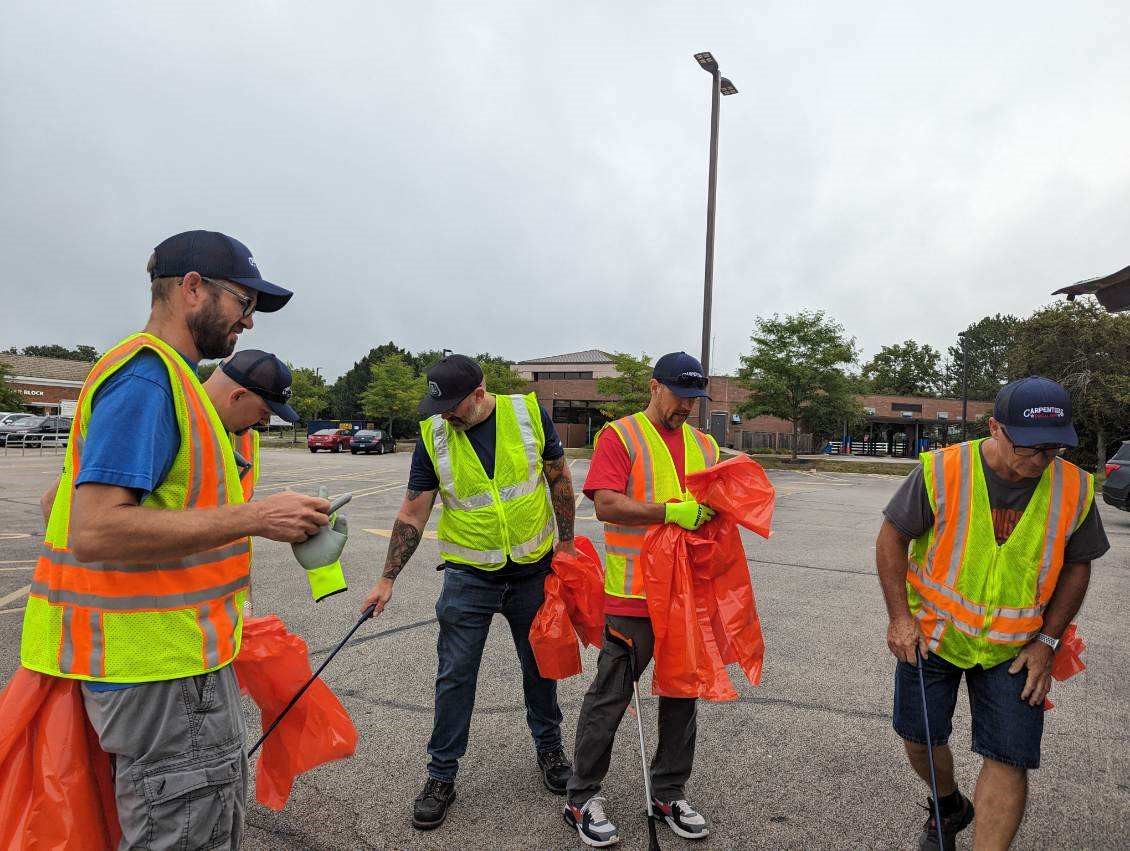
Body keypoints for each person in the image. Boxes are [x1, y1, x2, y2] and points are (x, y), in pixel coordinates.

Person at [21, 231, 335, 850]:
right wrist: (255, 517)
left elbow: (58, 505)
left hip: (162, 663)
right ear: (192, 288)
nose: (247, 321)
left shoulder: (171, 382)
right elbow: (96, 527)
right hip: (158, 670)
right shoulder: (148, 379)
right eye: (243, 303)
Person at [876, 376, 1109, 850]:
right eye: (1032, 447)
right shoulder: (943, 471)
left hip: (1018, 648)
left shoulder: (1074, 488)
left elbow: (1077, 567)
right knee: (919, 738)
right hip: (934, 635)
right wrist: (900, 618)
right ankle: (948, 805)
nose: (1043, 460)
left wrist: (1048, 642)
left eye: (1054, 448)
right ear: (995, 428)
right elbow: (892, 538)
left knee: (1009, 757)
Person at [361, 354, 578, 831]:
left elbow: (558, 478)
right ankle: (441, 776)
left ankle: (550, 750)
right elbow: (414, 512)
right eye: (439, 407)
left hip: (531, 569)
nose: (445, 416)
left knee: (540, 665)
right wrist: (386, 579)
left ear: (480, 394)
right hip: (468, 576)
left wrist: (565, 545)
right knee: (455, 676)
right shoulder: (434, 435)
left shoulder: (528, 413)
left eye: (453, 407)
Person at [564, 351, 720, 847]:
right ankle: (581, 797)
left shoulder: (704, 444)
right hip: (632, 595)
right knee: (610, 698)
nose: (687, 408)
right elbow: (607, 501)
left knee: (681, 698)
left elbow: (713, 507)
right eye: (680, 396)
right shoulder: (621, 436)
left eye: (695, 399)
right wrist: (670, 514)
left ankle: (668, 791)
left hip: (684, 594)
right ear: (655, 387)